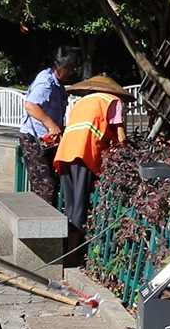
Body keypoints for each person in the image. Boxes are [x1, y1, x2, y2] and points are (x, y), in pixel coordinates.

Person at [53, 75, 135, 267]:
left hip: (65, 152)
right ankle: (72, 254)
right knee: (80, 206)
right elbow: (122, 138)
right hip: (84, 153)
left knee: (71, 204)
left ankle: (66, 248)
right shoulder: (113, 101)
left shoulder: (82, 102)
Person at [18, 46, 80, 208]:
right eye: (71, 69)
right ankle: (41, 228)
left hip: (48, 141)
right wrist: (51, 125)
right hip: (33, 139)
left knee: (52, 181)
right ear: (63, 68)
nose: (72, 73)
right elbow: (30, 105)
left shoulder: (57, 84)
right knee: (45, 187)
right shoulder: (46, 82)